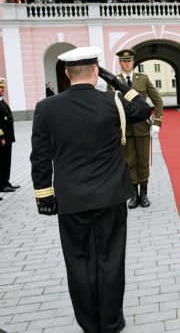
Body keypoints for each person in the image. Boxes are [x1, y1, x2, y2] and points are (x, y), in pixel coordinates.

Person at [30, 46, 151, 333]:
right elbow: (145, 109)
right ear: (96, 72)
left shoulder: (46, 108)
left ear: (66, 73)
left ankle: (89, 323)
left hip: (71, 200)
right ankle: (111, 322)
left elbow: (39, 156)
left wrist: (43, 195)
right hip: (110, 197)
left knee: (78, 261)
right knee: (110, 259)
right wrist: (118, 82)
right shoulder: (114, 102)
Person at [111, 49, 163, 209]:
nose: (127, 64)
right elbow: (109, 105)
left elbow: (157, 100)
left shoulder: (143, 78)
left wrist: (157, 122)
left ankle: (144, 194)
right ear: (120, 63)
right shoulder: (114, 81)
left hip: (141, 126)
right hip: (124, 129)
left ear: (133, 62)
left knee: (143, 161)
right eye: (124, 61)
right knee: (129, 162)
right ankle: (133, 195)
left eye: (129, 61)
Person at [0, 77, 19, 194]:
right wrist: (1, 137)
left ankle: (6, 182)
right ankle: (2, 184)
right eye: (1, 88)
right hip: (2, 138)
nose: (3, 90)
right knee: (2, 161)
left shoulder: (1, 101)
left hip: (8, 137)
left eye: (3, 88)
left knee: (6, 160)